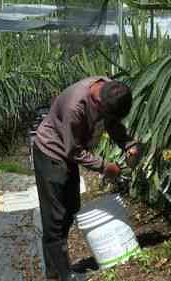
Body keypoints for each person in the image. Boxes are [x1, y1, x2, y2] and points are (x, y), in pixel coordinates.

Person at [33, 76, 141, 281]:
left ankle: (55, 271)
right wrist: (104, 167)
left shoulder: (110, 91)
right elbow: (72, 150)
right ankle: (64, 275)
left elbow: (113, 123)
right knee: (55, 217)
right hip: (51, 154)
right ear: (99, 103)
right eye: (105, 114)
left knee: (71, 207)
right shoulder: (75, 106)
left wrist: (128, 144)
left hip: (67, 156)